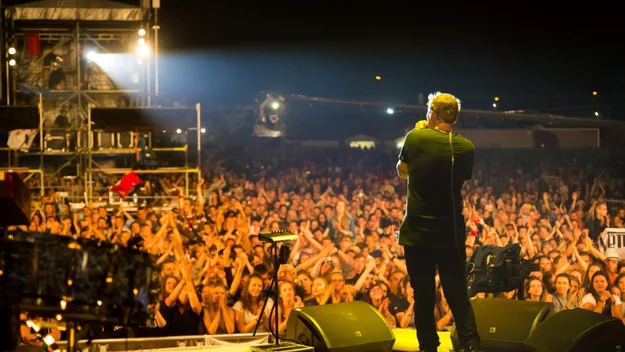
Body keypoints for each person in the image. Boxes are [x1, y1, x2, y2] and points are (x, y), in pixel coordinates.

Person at [397, 92, 481, 352]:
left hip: (418, 233)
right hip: (450, 233)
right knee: (456, 293)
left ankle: (428, 347)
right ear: (454, 117)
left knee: (422, 296)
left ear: (432, 112)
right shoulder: (467, 147)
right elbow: (462, 183)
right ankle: (471, 345)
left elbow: (402, 171)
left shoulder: (416, 137)